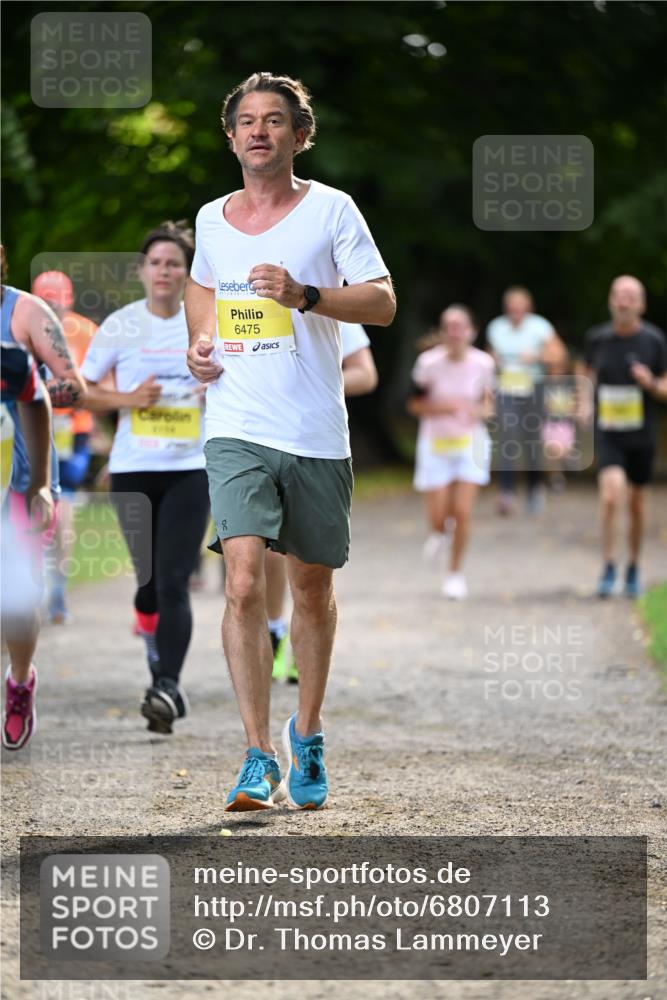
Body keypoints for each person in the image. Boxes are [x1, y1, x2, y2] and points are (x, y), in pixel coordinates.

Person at [185, 72, 395, 811]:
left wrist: (306, 295)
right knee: (241, 582)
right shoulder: (211, 218)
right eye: (246, 120)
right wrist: (200, 345)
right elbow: (201, 288)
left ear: (298, 135)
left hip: (313, 429)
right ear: (232, 135)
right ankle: (254, 754)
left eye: (274, 120)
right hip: (237, 424)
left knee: (310, 587)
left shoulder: (332, 209)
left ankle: (306, 732)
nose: (259, 131)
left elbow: (382, 299)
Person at [81, 221, 210, 733]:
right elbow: (82, 390)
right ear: (142, 271)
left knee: (175, 579)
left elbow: (244, 377)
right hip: (134, 469)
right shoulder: (120, 325)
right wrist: (128, 400)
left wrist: (212, 390)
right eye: (155, 262)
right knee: (150, 584)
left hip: (190, 467)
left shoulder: (207, 323)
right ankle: (159, 667)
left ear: (186, 273)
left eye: (174, 263)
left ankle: (167, 686)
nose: (164, 270)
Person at [1, 249, 85, 750]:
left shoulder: (27, 315)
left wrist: (28, 386)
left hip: (26, 471)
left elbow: (72, 387)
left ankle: (19, 678)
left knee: (16, 597)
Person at [269, 322, 379, 682]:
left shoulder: (331, 301)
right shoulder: (236, 288)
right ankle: (272, 630)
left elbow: (366, 373)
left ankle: (292, 639)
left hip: (312, 442)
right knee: (256, 555)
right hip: (253, 437)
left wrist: (312, 386)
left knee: (306, 563)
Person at [578, 275, 667, 598]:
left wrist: (650, 384)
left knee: (637, 503)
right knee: (611, 495)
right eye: (617, 294)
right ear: (610, 301)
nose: (623, 301)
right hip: (608, 431)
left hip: (641, 433)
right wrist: (586, 404)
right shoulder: (598, 338)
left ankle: (633, 566)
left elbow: (665, 387)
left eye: (630, 296)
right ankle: (609, 565)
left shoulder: (654, 341)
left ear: (641, 304)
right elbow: (585, 373)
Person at [408, 305, 495, 600]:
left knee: (462, 513)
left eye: (460, 326)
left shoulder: (483, 363)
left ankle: (455, 574)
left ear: (471, 331)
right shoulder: (428, 364)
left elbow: (488, 402)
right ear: (442, 332)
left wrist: (482, 410)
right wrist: (443, 408)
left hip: (470, 444)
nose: (455, 332)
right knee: (438, 517)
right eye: (449, 327)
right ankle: (439, 533)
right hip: (436, 445)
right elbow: (415, 405)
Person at [31, 270, 98, 624]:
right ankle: (50, 594)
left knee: (59, 506)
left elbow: (97, 381)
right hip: (47, 425)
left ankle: (54, 594)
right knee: (48, 507)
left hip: (69, 428)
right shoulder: (83, 330)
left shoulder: (82, 332)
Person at [1, 341, 55, 749]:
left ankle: (20, 679)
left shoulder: (11, 357)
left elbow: (38, 403)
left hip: (12, 489)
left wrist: (40, 484)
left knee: (17, 603)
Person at [486, 286, 564, 515]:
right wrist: (492, 359)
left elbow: (559, 355)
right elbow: (487, 356)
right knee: (508, 437)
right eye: (511, 308)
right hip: (507, 388)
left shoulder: (540, 327)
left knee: (531, 440)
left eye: (520, 308)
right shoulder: (496, 327)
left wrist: (538, 356)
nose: (515, 312)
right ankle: (506, 492)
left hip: (534, 388)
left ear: (528, 308)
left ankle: (533, 490)